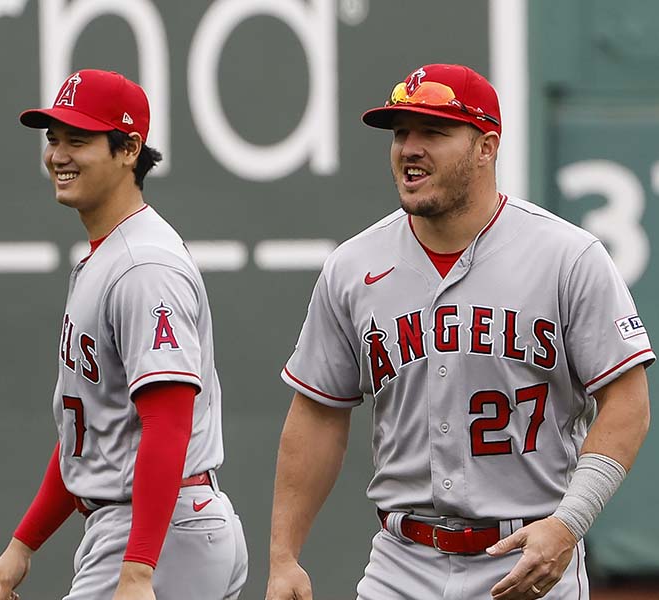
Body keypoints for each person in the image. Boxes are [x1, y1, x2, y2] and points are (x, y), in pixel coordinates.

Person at [265, 63, 652, 600]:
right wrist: (284, 556)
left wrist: (570, 523)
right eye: (401, 132)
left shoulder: (567, 256)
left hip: (528, 559)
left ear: (486, 147)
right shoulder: (354, 265)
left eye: (434, 132)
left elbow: (627, 402)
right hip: (401, 564)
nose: (409, 148)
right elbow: (317, 412)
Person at [0, 69, 248, 600]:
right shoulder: (112, 254)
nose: (58, 155)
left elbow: (167, 420)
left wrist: (140, 568)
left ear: (129, 150)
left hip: (159, 536)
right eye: (53, 139)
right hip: (156, 529)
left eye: (79, 139)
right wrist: (22, 546)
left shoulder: (142, 265)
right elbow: (92, 435)